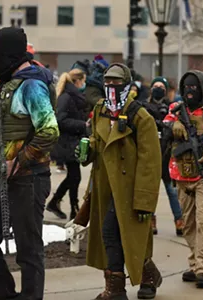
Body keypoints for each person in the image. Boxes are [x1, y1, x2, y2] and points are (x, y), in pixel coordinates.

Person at [0, 27, 59, 300]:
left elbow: (49, 129)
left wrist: (19, 160)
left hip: (29, 178)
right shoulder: (4, 82)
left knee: (28, 249)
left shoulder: (31, 85)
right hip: (1, 177)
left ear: (8, 50)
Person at [69, 63, 163, 299]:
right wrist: (86, 149)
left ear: (127, 84)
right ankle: (147, 276)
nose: (111, 87)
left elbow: (150, 163)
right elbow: (97, 141)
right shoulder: (100, 110)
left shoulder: (141, 117)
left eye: (116, 83)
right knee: (118, 235)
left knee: (116, 233)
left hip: (130, 189)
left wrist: (144, 201)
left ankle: (116, 289)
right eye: (107, 82)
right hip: (105, 186)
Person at [163, 70, 203, 289]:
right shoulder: (176, 109)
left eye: (195, 88)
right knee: (188, 224)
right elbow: (162, 128)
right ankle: (194, 262)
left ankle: (202, 268)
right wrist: (173, 127)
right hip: (180, 174)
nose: (190, 92)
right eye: (187, 88)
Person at [141, 77, 184, 236]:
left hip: (167, 155)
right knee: (150, 191)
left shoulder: (172, 108)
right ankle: (150, 219)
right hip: (150, 155)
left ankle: (179, 220)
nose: (158, 88)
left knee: (172, 191)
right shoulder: (144, 106)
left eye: (161, 86)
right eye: (155, 86)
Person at [46, 68, 89, 220]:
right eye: (83, 81)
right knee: (74, 176)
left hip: (70, 141)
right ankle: (74, 208)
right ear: (77, 81)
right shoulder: (67, 97)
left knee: (73, 176)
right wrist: (83, 124)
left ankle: (57, 202)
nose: (84, 84)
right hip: (66, 142)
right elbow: (61, 120)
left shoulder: (72, 96)